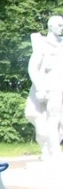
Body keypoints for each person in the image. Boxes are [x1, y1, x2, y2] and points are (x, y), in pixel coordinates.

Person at [25, 15, 63, 161]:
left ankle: (52, 148)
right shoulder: (43, 45)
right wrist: (40, 87)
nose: (62, 28)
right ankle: (54, 152)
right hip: (51, 87)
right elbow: (33, 68)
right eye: (59, 25)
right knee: (53, 119)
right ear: (51, 26)